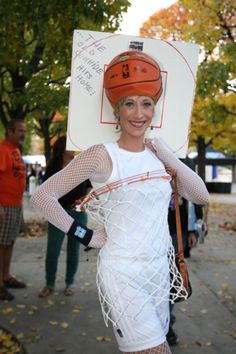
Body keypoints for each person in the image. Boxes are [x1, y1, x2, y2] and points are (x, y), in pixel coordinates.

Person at [31, 51, 209, 354]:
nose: (138, 113)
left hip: (159, 272)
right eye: (129, 103)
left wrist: (168, 156)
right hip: (123, 273)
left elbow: (201, 195)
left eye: (146, 103)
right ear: (116, 110)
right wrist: (84, 234)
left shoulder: (159, 156)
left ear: (155, 109)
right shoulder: (102, 154)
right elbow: (41, 196)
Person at [38, 136, 92, 297]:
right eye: (71, 146)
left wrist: (86, 199)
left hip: (78, 214)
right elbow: (45, 190)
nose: (74, 149)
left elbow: (89, 186)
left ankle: (69, 283)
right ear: (62, 148)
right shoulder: (54, 166)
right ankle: (49, 284)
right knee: (53, 251)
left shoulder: (81, 164)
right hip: (58, 213)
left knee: (74, 250)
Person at [167, 197, 201, 345]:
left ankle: (166, 325)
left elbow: (196, 197)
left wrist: (194, 230)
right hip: (146, 233)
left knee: (170, 282)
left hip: (175, 231)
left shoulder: (180, 172)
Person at [0, 119, 27, 301]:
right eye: (20, 131)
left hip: (15, 205)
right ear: (10, 132)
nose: (23, 134)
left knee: (9, 243)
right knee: (1, 244)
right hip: (4, 206)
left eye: (24, 131)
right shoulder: (2, 149)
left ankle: (6, 277)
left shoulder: (16, 150)